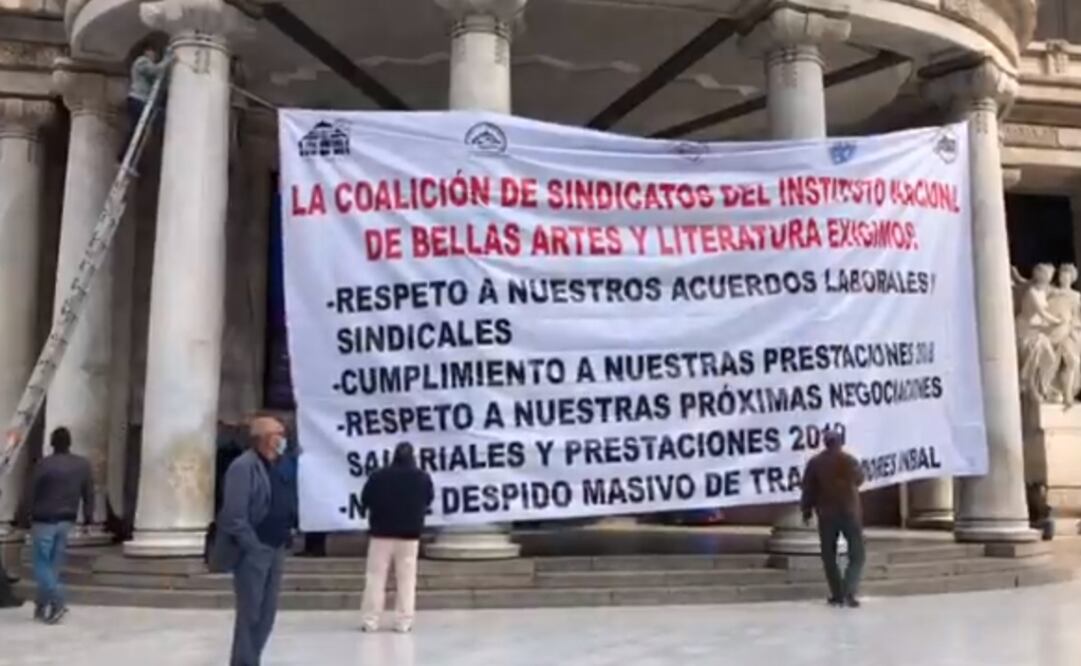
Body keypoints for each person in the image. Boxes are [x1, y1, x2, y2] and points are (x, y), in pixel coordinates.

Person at [213, 416, 293, 666]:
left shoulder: (279, 464)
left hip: (276, 546)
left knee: (267, 614)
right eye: (278, 434)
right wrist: (252, 545)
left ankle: (251, 659)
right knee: (251, 613)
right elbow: (234, 514)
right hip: (254, 550)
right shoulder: (243, 466)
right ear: (263, 438)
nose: (283, 438)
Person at [359, 442, 434, 633]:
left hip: (380, 534)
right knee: (407, 579)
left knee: (375, 578)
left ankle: (370, 620)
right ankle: (403, 621)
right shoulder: (422, 478)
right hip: (409, 535)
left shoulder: (378, 476)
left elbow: (365, 499)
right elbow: (428, 499)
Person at [27, 427, 93, 624]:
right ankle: (41, 604)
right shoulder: (82, 465)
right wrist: (88, 517)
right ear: (69, 443)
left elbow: (30, 493)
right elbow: (89, 493)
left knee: (41, 564)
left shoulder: (43, 465)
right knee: (53, 564)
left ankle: (57, 600)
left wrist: (21, 517)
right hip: (67, 519)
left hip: (43, 519)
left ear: (52, 443)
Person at [800, 429, 865, 608]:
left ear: (825, 443)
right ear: (840, 443)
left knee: (829, 556)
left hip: (826, 514)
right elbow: (860, 480)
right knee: (857, 554)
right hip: (850, 513)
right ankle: (849, 591)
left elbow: (808, 489)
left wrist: (806, 510)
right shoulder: (849, 461)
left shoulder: (815, 463)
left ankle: (837, 594)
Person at [120, 41, 169, 160]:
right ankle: (123, 157)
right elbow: (155, 71)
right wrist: (168, 58)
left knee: (139, 131)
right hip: (138, 99)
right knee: (138, 128)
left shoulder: (147, 64)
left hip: (142, 100)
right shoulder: (142, 61)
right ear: (147, 52)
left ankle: (129, 158)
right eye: (152, 53)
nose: (154, 56)